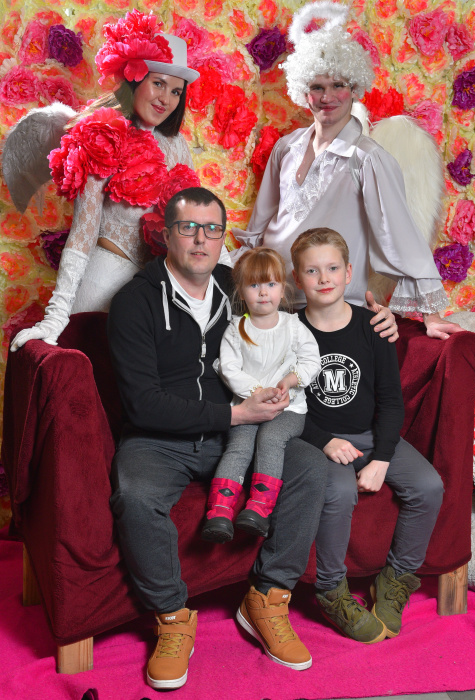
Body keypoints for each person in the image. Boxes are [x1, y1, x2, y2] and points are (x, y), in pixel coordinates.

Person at [107, 187, 328, 690]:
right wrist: (236, 413)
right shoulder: (134, 302)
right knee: (135, 495)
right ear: (166, 235)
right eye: (188, 228)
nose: (200, 239)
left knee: (311, 469)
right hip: (160, 439)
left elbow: (299, 318)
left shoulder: (239, 285)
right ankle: (171, 617)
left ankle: (267, 598)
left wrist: (373, 322)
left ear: (223, 237)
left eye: (212, 229)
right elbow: (142, 403)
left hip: (240, 431)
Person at [232, 1, 462, 342]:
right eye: (317, 87)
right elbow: (260, 225)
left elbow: (400, 235)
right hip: (270, 300)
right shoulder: (286, 147)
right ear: (303, 92)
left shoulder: (368, 158)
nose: (328, 97)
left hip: (330, 308)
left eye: (338, 85)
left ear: (354, 89)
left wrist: (431, 315)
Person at [9, 10, 209, 352]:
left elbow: (195, 220)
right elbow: (83, 233)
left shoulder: (177, 145)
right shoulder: (102, 133)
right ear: (135, 78)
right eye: (158, 83)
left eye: (176, 91)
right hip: (103, 281)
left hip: (155, 288)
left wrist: (225, 275)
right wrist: (56, 315)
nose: (166, 99)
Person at [291, 227, 444, 643]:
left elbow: (391, 401)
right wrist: (324, 441)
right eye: (311, 270)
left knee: (429, 485)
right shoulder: (289, 331)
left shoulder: (373, 327)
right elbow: (285, 406)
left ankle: (395, 580)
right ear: (297, 278)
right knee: (339, 492)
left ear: (348, 273)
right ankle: (331, 590)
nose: (324, 278)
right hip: (319, 441)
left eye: (332, 268)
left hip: (371, 435)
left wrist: (382, 458)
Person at [201, 247, 320, 542]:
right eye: (254, 285)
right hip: (248, 406)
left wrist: (290, 380)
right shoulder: (236, 328)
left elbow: (312, 361)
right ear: (241, 291)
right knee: (239, 445)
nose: (263, 292)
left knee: (270, 439)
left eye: (271, 284)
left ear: (282, 287)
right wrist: (257, 392)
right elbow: (229, 369)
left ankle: (259, 509)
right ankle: (219, 511)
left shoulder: (293, 326)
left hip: (288, 409)